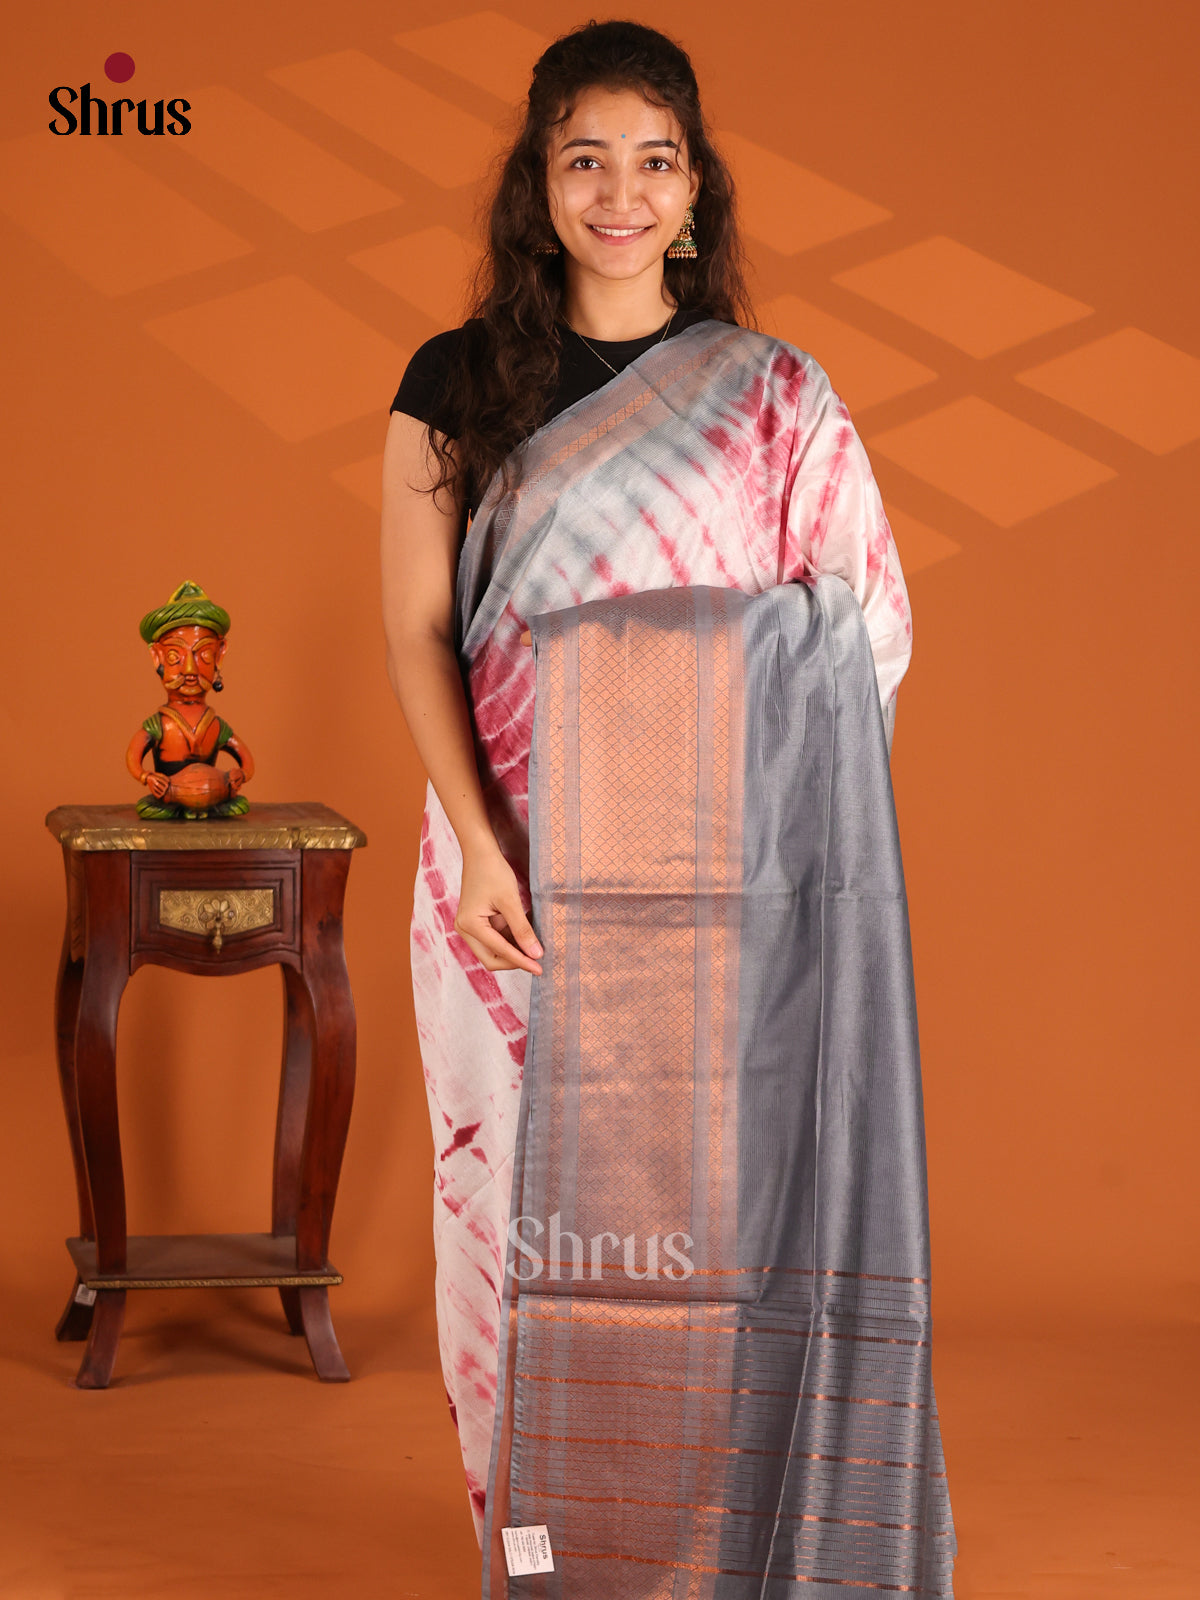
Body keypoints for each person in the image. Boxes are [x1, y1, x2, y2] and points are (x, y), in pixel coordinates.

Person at [381, 19, 955, 1595]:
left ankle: (703, 1545)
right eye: (585, 161)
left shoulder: (774, 395)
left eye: (652, 162)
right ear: (538, 182)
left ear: (695, 188)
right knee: (512, 1219)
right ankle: (542, 1555)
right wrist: (482, 842)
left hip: (717, 890)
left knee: (706, 1222)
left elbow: (863, 627)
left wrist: (709, 744)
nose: (619, 194)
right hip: (507, 875)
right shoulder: (453, 381)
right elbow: (420, 629)